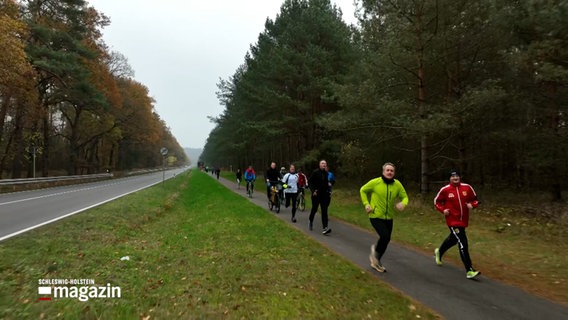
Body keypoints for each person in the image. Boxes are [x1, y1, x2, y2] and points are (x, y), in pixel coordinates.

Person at [360, 162, 409, 273]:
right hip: (375, 215)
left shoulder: (397, 184)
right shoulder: (375, 182)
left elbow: (405, 197)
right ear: (383, 172)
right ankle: (376, 258)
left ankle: (376, 260)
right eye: (387, 170)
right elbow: (362, 190)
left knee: (386, 240)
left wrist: (403, 203)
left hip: (389, 217)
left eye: (392, 170)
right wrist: (366, 204)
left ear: (394, 173)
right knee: (385, 236)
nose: (389, 172)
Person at [434, 170, 480, 279]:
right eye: (453, 176)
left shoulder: (467, 187)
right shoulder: (445, 190)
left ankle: (439, 252)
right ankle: (469, 270)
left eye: (457, 176)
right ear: (450, 179)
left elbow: (475, 200)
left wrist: (472, 205)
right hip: (452, 221)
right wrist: (443, 210)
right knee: (463, 242)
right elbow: (437, 202)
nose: (455, 178)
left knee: (454, 239)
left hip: (463, 221)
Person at [308, 160, 332, 234]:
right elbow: (310, 182)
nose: (324, 164)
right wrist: (313, 191)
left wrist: (329, 186)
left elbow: (325, 183)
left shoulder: (326, 173)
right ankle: (311, 220)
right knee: (314, 209)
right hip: (316, 194)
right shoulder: (315, 172)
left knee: (324, 211)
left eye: (325, 163)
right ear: (319, 165)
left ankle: (325, 228)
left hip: (324, 195)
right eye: (322, 163)